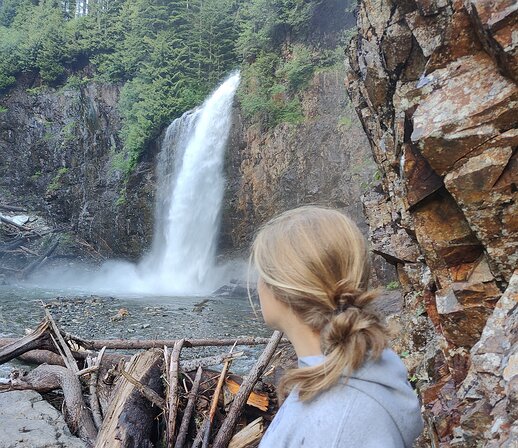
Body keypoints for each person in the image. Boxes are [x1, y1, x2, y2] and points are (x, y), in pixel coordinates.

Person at [250, 206, 423, 448]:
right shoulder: (362, 371)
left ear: (283, 290)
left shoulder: (335, 425)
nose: (257, 285)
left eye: (261, 273)